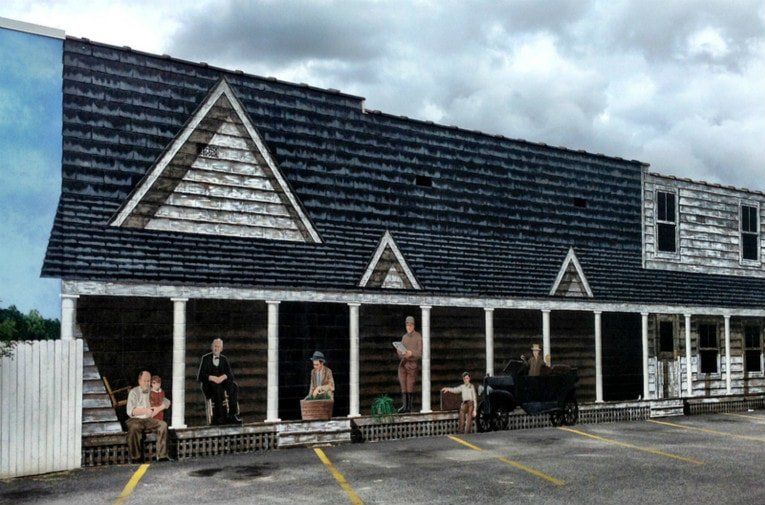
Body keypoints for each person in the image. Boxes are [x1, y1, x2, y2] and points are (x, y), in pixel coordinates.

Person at [126, 370, 170, 462]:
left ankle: (162, 456)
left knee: (163, 425)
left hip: (149, 420)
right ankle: (136, 457)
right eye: (144, 380)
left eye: (149, 381)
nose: (147, 383)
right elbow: (130, 411)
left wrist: (159, 408)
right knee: (134, 427)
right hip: (136, 419)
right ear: (139, 381)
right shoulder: (134, 392)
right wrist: (145, 410)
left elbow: (167, 401)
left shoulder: (153, 390)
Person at [197, 338, 241, 424]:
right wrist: (212, 377)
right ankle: (219, 418)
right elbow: (200, 376)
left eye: (218, 347)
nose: (216, 348)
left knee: (234, 387)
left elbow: (230, 375)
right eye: (215, 346)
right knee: (217, 389)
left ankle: (232, 415)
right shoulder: (206, 358)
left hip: (222, 383)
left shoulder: (224, 359)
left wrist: (223, 376)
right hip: (209, 384)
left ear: (221, 349)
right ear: (212, 347)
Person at [396, 315, 422, 413]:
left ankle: (409, 407)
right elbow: (399, 351)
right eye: (407, 325)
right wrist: (401, 352)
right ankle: (404, 405)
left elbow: (419, 353)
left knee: (409, 385)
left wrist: (411, 353)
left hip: (412, 365)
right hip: (403, 365)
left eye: (411, 325)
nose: (409, 327)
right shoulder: (404, 337)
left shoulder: (418, 336)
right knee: (403, 385)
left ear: (414, 326)